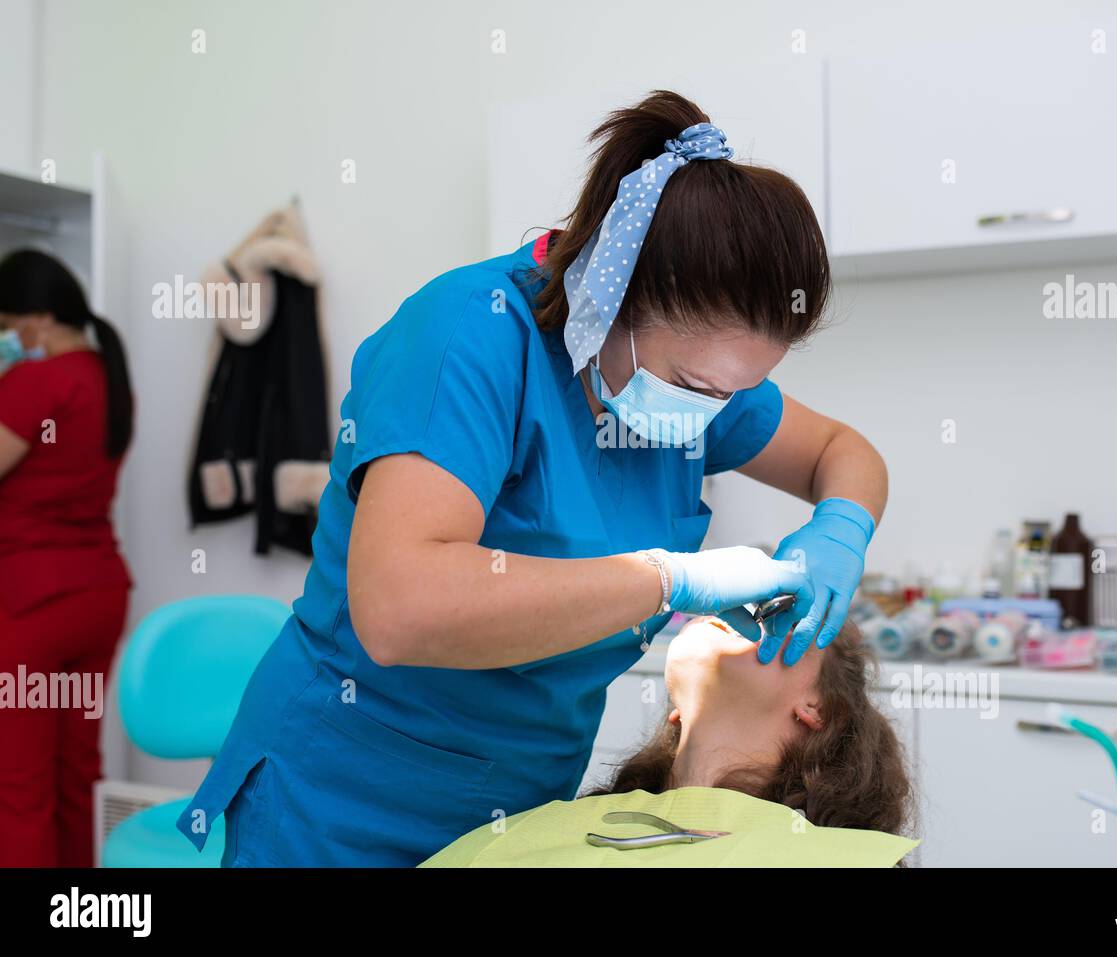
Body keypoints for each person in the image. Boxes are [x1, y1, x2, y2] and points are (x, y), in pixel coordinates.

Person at [180, 91, 890, 867]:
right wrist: (668, 579)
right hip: (344, 799)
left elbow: (843, 452)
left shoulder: (700, 386)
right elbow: (397, 609)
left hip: (518, 808)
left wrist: (841, 528)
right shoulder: (469, 336)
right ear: (613, 297)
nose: (716, 411)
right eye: (697, 382)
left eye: (734, 391)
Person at [424, 616, 914, 866]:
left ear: (820, 709)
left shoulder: (845, 861)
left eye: (778, 611)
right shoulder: (527, 835)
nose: (738, 609)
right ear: (676, 710)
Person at [0, 249, 134, 867]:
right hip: (98, 595)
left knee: (19, 786)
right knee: (77, 770)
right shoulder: (107, 374)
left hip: (30, 602)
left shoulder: (33, 383)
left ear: (34, 320)